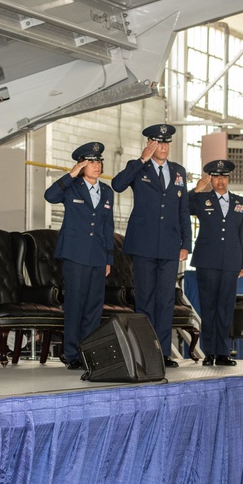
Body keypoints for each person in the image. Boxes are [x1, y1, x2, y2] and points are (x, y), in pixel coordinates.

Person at [111, 124, 192, 368]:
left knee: (166, 301)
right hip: (144, 245)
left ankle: (163, 352)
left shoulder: (178, 171)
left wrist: (186, 243)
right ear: (149, 144)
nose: (164, 147)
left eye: (167, 143)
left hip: (169, 246)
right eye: (159, 143)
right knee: (145, 300)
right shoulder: (138, 167)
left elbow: (183, 210)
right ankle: (144, 351)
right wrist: (140, 160)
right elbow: (117, 185)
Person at [44, 142, 115, 370]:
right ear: (81, 165)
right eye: (91, 162)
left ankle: (89, 353)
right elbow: (50, 196)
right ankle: (72, 354)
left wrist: (109, 259)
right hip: (74, 255)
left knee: (94, 308)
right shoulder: (71, 187)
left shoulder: (106, 191)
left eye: (98, 161)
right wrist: (71, 175)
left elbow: (107, 227)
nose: (96, 165)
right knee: (75, 306)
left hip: (97, 256)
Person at [188, 159, 243, 366]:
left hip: (231, 262)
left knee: (225, 307)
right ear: (210, 179)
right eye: (216, 177)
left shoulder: (240, 202)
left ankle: (222, 352)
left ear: (228, 178)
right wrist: (196, 189)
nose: (220, 181)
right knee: (208, 307)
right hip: (207, 261)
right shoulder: (201, 199)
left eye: (223, 176)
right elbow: (182, 207)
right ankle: (209, 352)